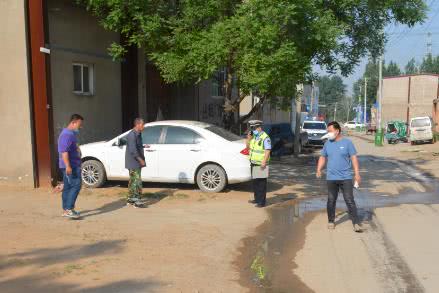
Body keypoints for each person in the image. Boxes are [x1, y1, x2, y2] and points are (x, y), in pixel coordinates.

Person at [316, 121, 362, 232]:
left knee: (349, 200)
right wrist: (318, 169)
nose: (328, 133)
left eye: (330, 131)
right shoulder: (327, 144)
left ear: (337, 131)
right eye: (328, 131)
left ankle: (356, 223)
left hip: (345, 177)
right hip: (331, 177)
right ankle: (331, 221)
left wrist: (357, 174)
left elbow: (354, 158)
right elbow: (323, 157)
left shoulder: (347, 143)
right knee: (331, 200)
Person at [58, 114, 84, 219]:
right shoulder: (67, 134)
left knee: (68, 187)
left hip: (72, 165)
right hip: (71, 166)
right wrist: (68, 166)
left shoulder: (70, 134)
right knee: (76, 185)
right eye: (79, 124)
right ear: (73, 122)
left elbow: (73, 148)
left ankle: (66, 210)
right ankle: (69, 209)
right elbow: (64, 152)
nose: (80, 127)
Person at [246, 120, 271, 208]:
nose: (253, 130)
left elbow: (268, 150)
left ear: (259, 127)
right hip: (253, 162)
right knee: (255, 183)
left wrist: (264, 161)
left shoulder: (265, 137)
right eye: (252, 128)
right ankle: (257, 199)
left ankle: (262, 202)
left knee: (261, 184)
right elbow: (248, 147)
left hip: (261, 164)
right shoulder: (254, 137)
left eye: (254, 128)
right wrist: (248, 139)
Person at [125, 118, 146, 205]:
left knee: (133, 180)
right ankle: (137, 200)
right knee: (137, 181)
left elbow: (136, 147)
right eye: (142, 125)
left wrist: (143, 147)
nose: (143, 126)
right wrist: (141, 160)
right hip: (134, 162)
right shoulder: (132, 135)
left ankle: (131, 198)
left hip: (135, 161)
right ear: (137, 124)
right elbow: (133, 150)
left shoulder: (138, 134)